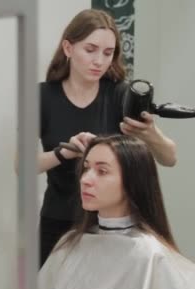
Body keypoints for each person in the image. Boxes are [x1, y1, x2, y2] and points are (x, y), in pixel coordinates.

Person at [38, 135, 195, 289]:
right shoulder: (69, 245)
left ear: (133, 181)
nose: (85, 179)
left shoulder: (149, 255)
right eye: (86, 168)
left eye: (102, 171)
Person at [32, 9, 177, 266]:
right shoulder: (43, 97)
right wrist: (62, 153)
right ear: (68, 47)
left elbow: (169, 158)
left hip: (114, 225)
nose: (99, 61)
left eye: (108, 53)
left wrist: (150, 133)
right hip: (59, 223)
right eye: (90, 50)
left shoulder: (121, 95)